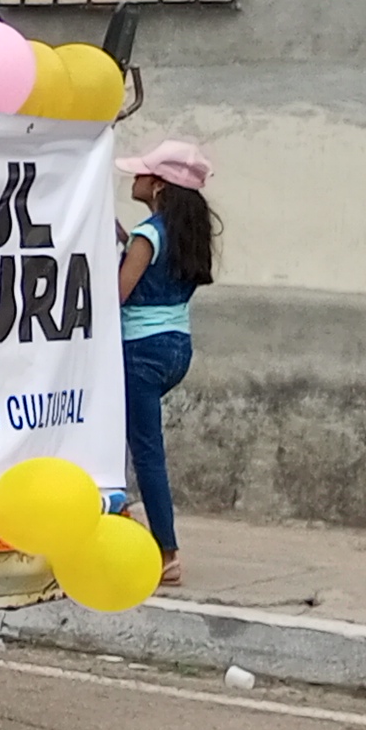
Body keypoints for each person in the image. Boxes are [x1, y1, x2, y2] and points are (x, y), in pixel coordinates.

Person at [114, 139, 215, 581]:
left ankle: (167, 552)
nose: (133, 179)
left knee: (146, 451)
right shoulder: (186, 233)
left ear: (158, 185)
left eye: (141, 173)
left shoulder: (147, 235)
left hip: (139, 349)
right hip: (176, 347)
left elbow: (118, 294)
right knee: (136, 441)